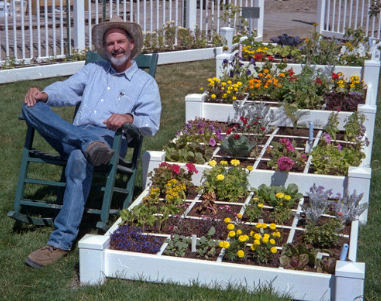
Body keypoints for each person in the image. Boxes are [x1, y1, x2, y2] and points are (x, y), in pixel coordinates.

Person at [22, 16, 161, 268]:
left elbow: (150, 123)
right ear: (105, 47)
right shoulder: (93, 70)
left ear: (131, 44)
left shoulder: (144, 83)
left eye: (120, 41)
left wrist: (128, 116)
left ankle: (60, 242)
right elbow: (66, 90)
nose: (115, 47)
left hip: (110, 138)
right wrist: (44, 94)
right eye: (110, 43)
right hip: (81, 134)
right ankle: (86, 142)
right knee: (30, 107)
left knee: (77, 157)